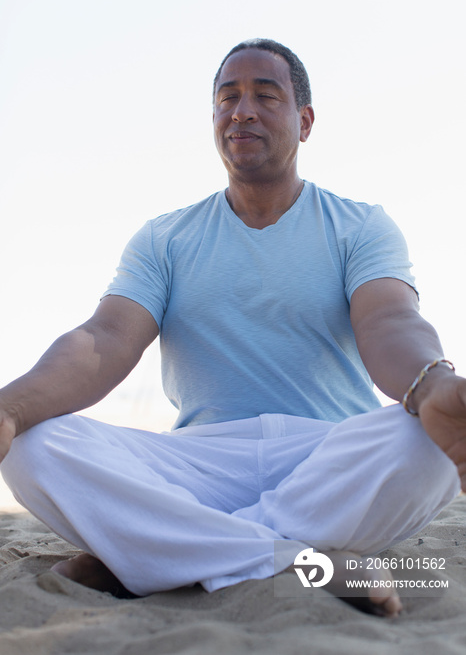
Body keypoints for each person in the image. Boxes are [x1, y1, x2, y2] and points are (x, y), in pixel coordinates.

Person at [1, 39, 465, 618]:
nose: (241, 111)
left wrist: (433, 383)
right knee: (31, 442)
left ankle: (153, 557)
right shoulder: (165, 238)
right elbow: (105, 338)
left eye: (265, 96)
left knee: (429, 441)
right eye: (227, 98)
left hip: (327, 459)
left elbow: (391, 320)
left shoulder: (359, 225)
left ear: (306, 121)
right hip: (200, 464)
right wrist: (11, 409)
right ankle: (304, 559)